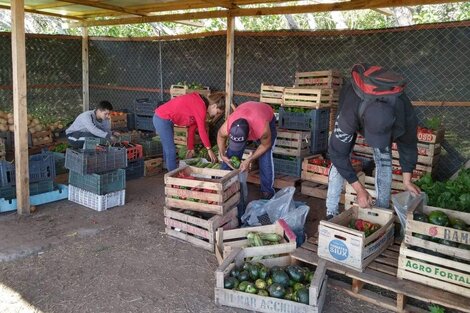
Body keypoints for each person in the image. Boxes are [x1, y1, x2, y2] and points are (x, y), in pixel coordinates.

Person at [326, 63, 421, 219]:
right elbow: (337, 154)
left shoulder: (403, 110)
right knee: (342, 154)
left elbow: (408, 145)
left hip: (381, 115)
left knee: (384, 158)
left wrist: (407, 180)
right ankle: (331, 211)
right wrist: (359, 189)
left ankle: (381, 211)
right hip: (354, 105)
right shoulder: (349, 114)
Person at [217, 101, 277, 200]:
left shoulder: (262, 129)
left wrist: (249, 159)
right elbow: (220, 135)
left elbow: (266, 145)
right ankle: (221, 185)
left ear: (249, 133)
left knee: (265, 156)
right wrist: (222, 153)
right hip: (245, 110)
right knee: (231, 155)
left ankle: (267, 192)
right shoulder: (228, 125)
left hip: (264, 113)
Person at [154, 92, 225, 171]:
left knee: (168, 148)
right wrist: (209, 149)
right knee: (171, 151)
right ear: (214, 106)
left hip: (166, 119)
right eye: (217, 112)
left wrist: (190, 148)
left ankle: (168, 170)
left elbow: (191, 129)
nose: (216, 115)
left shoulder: (200, 106)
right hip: (162, 118)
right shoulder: (201, 106)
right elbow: (202, 130)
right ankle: (173, 177)